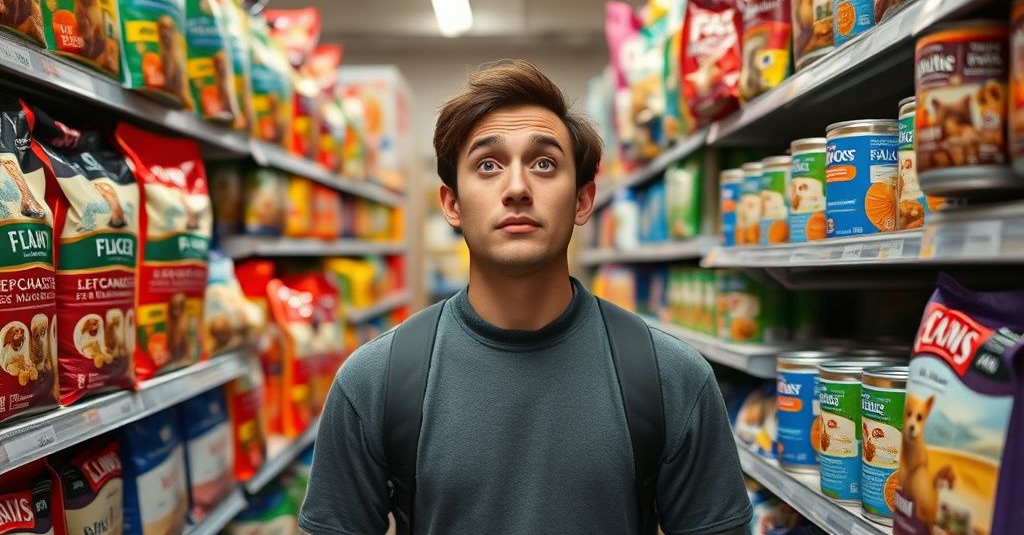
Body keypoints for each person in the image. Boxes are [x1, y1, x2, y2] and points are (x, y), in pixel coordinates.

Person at [298, 60, 752, 534]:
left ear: (582, 200)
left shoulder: (671, 378)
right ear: (452, 204)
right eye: (488, 165)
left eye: (544, 164)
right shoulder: (374, 382)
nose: (517, 188)